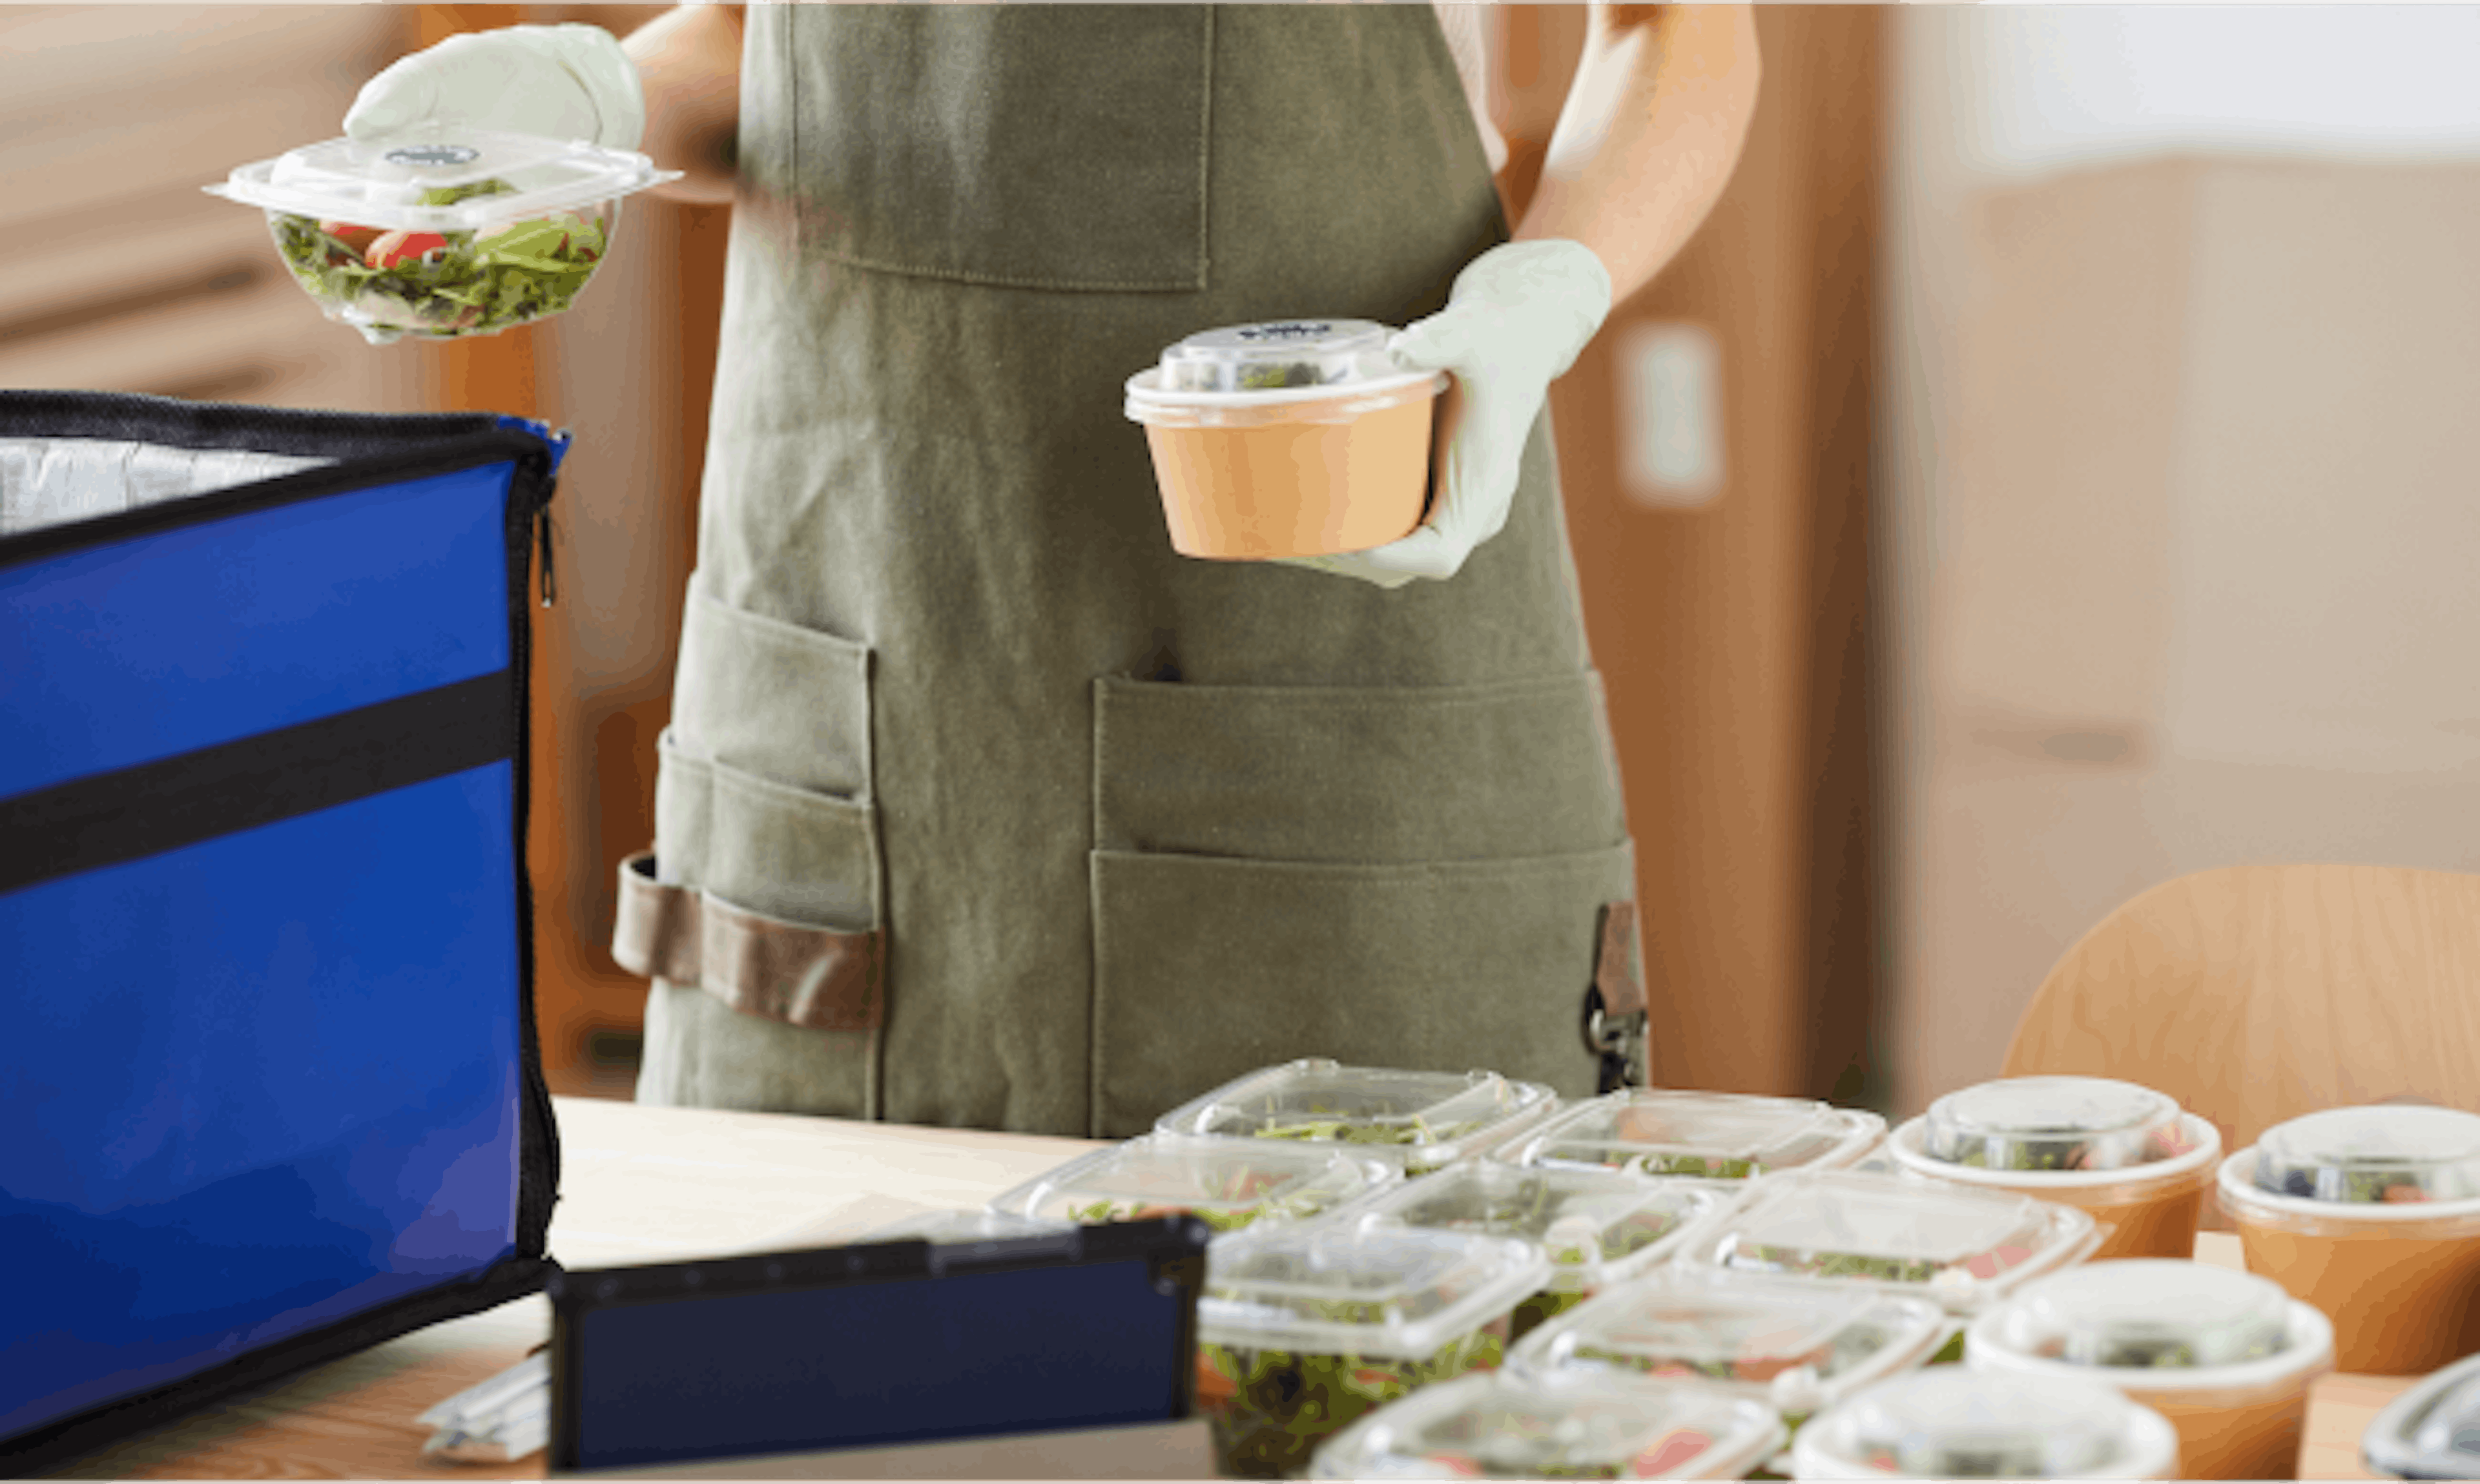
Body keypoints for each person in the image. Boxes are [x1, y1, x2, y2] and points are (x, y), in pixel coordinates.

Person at [346, 1, 1760, 1137]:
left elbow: (1676, 31)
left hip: (1320, 662)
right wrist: (597, 103)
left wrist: (1548, 288)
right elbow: (763, 45)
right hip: (850, 671)